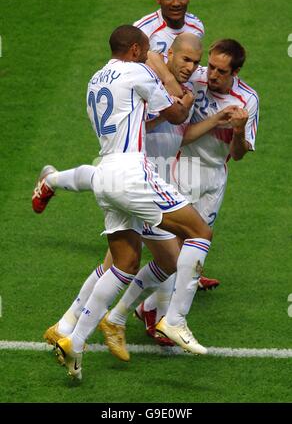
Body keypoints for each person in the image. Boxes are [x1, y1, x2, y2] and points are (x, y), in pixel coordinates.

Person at [35, 34, 229, 354]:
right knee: (193, 236)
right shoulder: (140, 74)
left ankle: (72, 334)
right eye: (185, 60)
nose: (192, 67)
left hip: (114, 174)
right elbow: (175, 113)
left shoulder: (96, 79)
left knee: (121, 263)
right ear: (139, 51)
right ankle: (169, 318)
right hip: (134, 177)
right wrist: (174, 86)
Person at [132, 38, 259, 338]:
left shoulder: (248, 100)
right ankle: (162, 318)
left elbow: (238, 154)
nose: (211, 74)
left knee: (191, 249)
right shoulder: (194, 78)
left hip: (215, 177)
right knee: (177, 250)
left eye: (221, 71)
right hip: (182, 167)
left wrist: (238, 131)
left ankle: (147, 309)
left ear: (236, 72)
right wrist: (169, 79)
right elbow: (152, 55)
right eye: (211, 66)